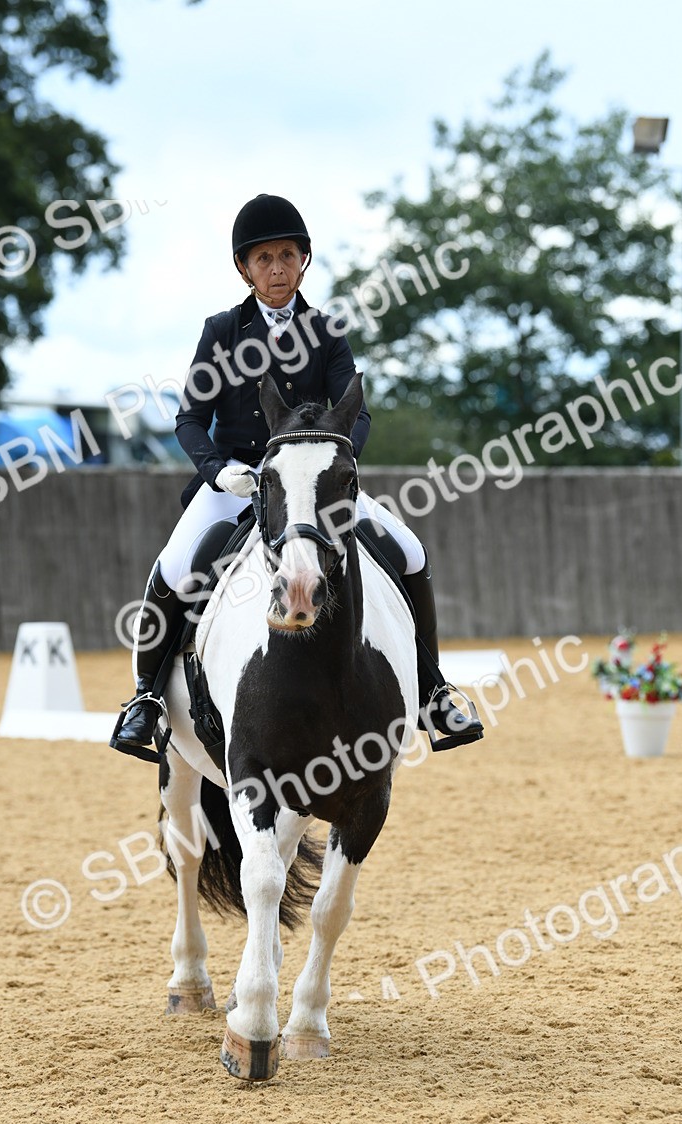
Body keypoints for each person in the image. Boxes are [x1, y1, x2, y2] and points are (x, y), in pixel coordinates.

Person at [112, 194, 483, 756]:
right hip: (237, 481)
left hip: (314, 484)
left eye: (287, 255)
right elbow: (189, 419)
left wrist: (336, 464)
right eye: (263, 258)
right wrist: (219, 471)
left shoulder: (326, 330)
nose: (277, 268)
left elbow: (356, 411)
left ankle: (433, 691)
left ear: (303, 260)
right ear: (244, 268)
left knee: (409, 552)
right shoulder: (221, 331)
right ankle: (146, 699)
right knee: (176, 564)